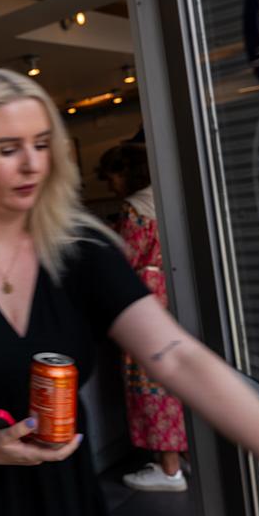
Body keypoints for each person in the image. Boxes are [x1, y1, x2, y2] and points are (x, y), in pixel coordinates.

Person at [0, 69, 259, 516]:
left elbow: (176, 356)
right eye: (7, 149)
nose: (31, 165)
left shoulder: (81, 249)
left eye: (41, 145)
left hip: (67, 498)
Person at [97, 143, 189, 492]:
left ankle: (168, 469)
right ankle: (184, 459)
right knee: (177, 378)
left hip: (144, 301)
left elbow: (125, 258)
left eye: (113, 176)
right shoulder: (167, 198)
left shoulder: (135, 208)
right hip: (174, 296)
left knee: (150, 382)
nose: (111, 185)